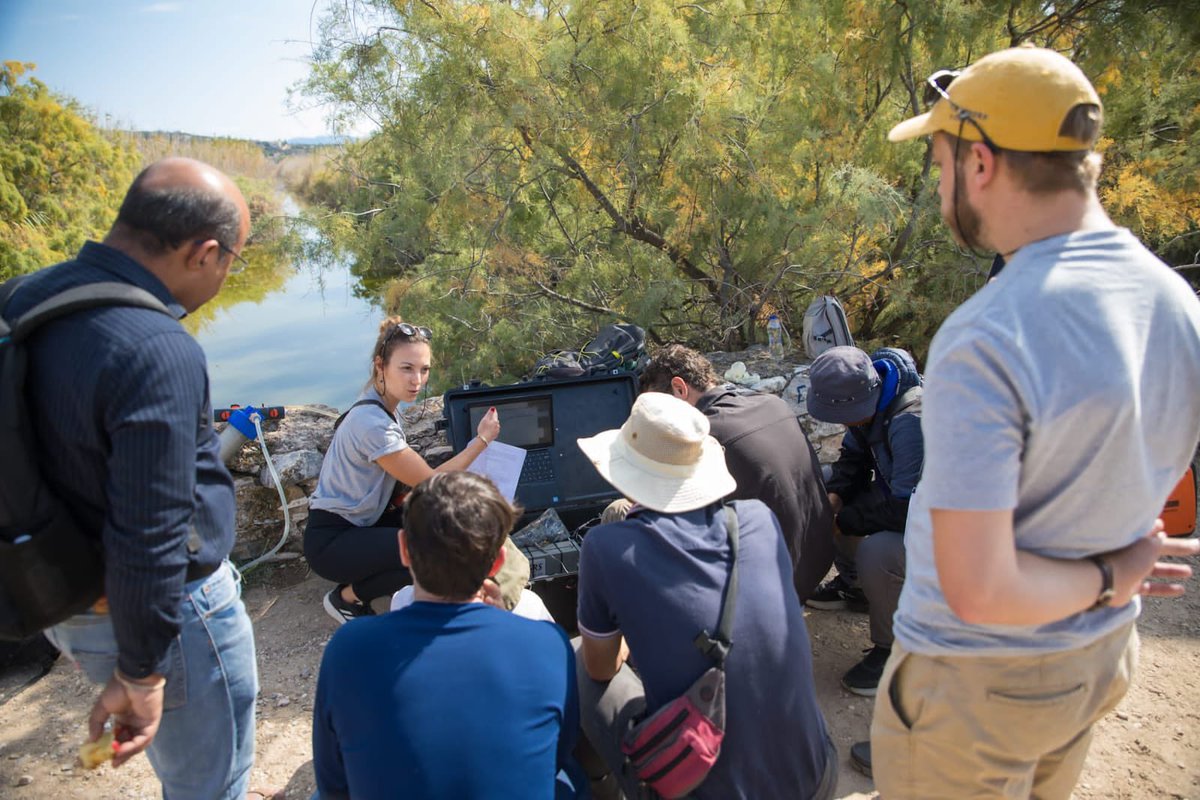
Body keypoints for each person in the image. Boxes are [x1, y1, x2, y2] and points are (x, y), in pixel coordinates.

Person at [875, 46, 1200, 799]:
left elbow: (980, 590)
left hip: (977, 685)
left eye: (941, 160)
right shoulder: (1175, 302)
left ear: (980, 163)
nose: (939, 183)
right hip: (1098, 658)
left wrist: (1111, 576)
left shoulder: (988, 334)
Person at [7, 158, 262, 798]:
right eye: (233, 258)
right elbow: (154, 530)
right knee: (214, 778)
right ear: (204, 253)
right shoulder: (155, 348)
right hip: (168, 616)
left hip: (65, 591)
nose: (228, 273)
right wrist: (143, 672)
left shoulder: (20, 298)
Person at [574, 392, 837, 800]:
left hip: (701, 786)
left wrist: (625, 637)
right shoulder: (757, 519)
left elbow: (601, 668)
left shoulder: (606, 547)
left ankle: (610, 788)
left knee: (579, 656)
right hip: (817, 776)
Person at [312, 471, 584, 800]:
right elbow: (557, 751)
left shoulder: (348, 649)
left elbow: (333, 784)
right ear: (498, 561)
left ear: (403, 550)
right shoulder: (547, 643)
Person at [303, 316, 506, 624]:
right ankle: (346, 598)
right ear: (380, 365)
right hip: (332, 541)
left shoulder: (382, 406)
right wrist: (481, 441)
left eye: (424, 370)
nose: (418, 381)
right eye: (407, 368)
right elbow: (431, 482)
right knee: (431, 550)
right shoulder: (372, 423)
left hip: (362, 525)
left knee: (442, 526)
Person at [639, 344, 835, 603]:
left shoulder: (704, 439)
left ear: (680, 388)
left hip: (772, 589)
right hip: (816, 564)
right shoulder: (773, 403)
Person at [804, 345, 924, 697]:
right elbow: (852, 461)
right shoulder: (870, 400)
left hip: (943, 529)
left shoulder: (910, 422)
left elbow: (908, 511)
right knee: (822, 489)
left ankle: (894, 650)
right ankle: (856, 588)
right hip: (900, 500)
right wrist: (834, 497)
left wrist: (846, 521)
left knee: (879, 552)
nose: (845, 423)